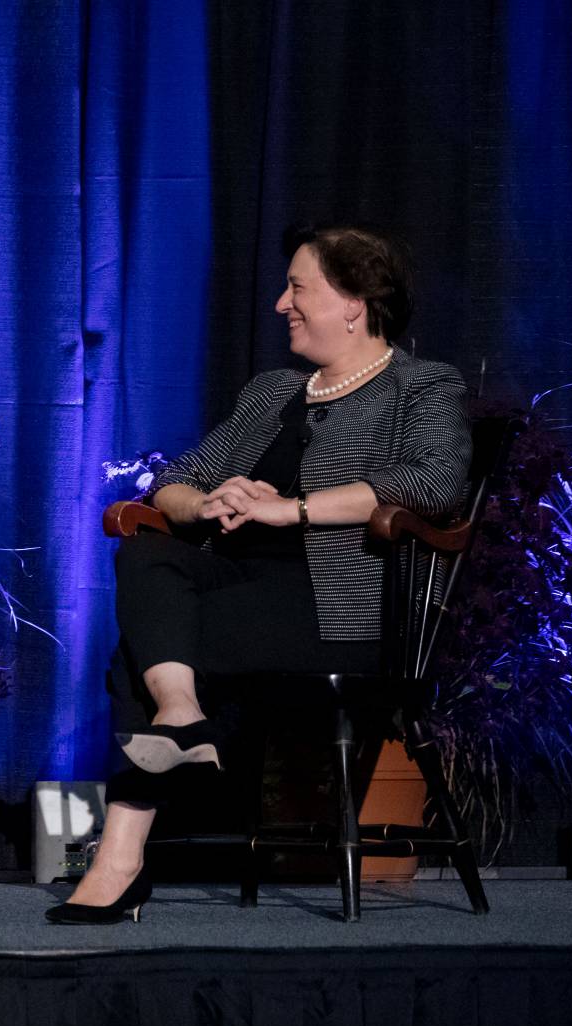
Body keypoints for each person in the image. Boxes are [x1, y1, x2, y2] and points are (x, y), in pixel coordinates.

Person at [47, 224, 470, 924]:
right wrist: (207, 500)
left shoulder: (420, 387)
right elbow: (174, 482)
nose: (281, 304)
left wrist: (291, 510)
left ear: (355, 302)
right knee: (148, 554)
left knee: (143, 647)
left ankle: (120, 861)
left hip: (339, 607)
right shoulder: (272, 391)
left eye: (299, 288)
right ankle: (181, 710)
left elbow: (434, 484)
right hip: (240, 588)